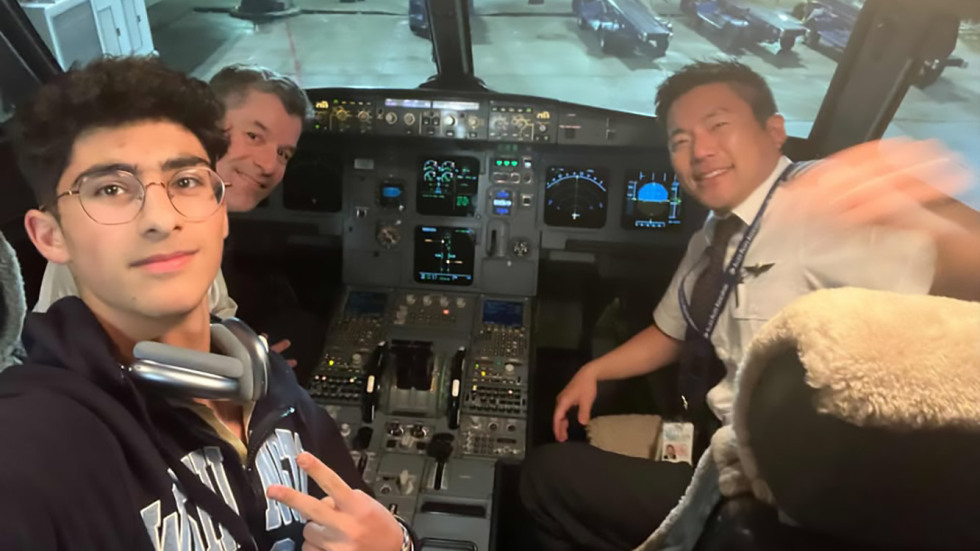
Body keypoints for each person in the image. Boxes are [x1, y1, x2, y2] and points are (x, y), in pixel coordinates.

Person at [519, 60, 975, 551]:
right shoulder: (713, 235)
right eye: (680, 140)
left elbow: (958, 278)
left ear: (775, 131)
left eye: (718, 126)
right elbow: (674, 330)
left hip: (786, 491)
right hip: (728, 449)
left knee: (544, 478)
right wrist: (595, 371)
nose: (700, 151)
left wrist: (938, 219)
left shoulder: (824, 198)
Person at [0, 57, 411, 551]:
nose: (160, 218)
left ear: (220, 210)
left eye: (185, 182)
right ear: (49, 236)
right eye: (110, 189)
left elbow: (367, 518)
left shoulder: (268, 379)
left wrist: (398, 545)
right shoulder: (36, 443)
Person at [30, 64, 308, 363]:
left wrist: (247, 361)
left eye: (283, 153)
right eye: (254, 136)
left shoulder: (201, 217)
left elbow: (216, 317)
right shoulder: (102, 242)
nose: (268, 165)